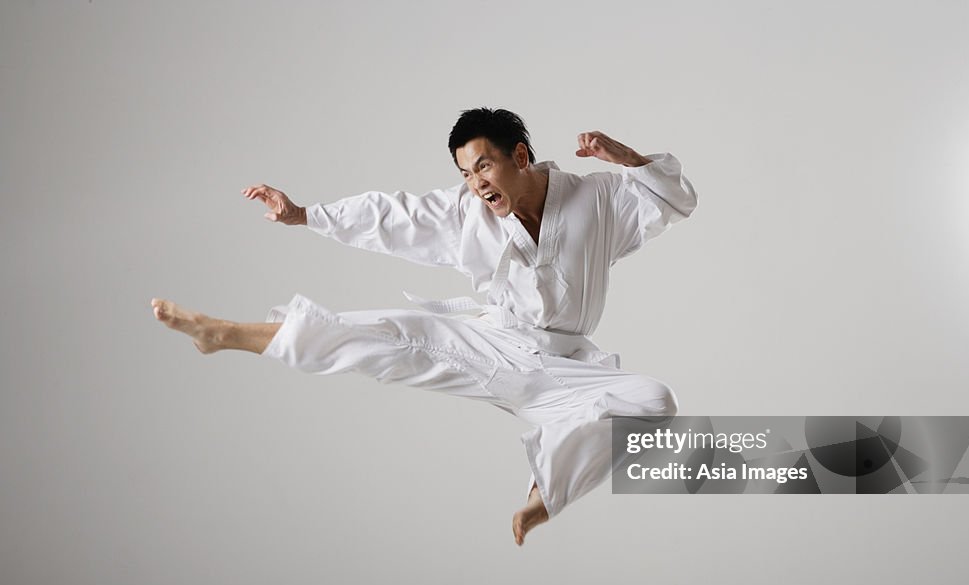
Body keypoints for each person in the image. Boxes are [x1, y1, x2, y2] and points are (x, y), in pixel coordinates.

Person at [152, 108, 697, 545]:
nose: (475, 183)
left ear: (521, 156)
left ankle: (546, 492)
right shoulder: (469, 213)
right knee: (390, 336)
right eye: (464, 173)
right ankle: (222, 334)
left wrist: (629, 158)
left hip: (567, 367)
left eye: (483, 166)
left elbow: (675, 198)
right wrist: (305, 215)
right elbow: (392, 214)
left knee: (655, 399)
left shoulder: (596, 198)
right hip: (496, 341)